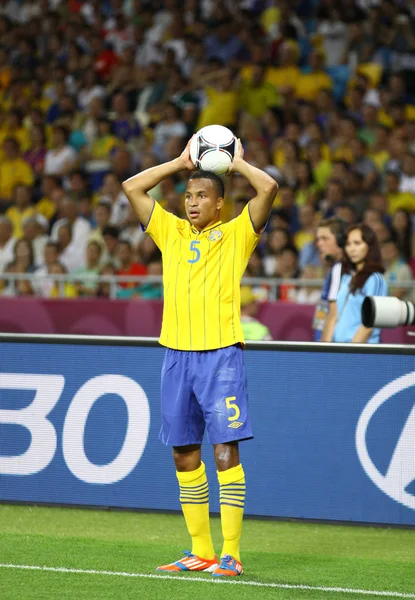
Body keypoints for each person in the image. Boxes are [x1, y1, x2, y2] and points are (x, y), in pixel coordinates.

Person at [122, 137, 278, 577]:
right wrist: (177, 163)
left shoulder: (237, 235)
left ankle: (231, 552)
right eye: (188, 196)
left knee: (224, 450)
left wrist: (240, 162)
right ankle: (200, 550)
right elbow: (132, 187)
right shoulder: (170, 232)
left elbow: (268, 189)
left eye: (202, 195)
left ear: (221, 203)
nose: (192, 203)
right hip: (176, 356)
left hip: (220, 357)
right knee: (183, 453)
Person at [332, 224, 387, 343]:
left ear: (369, 246)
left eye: (357, 243)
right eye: (348, 244)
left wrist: (352, 351)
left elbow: (370, 323)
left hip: (360, 353)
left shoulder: (375, 279)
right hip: (339, 350)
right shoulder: (346, 277)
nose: (351, 249)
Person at [313, 217, 346, 342]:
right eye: (318, 239)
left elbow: (335, 315)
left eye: (324, 238)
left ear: (340, 240)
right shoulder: (334, 270)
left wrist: (323, 347)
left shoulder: (342, 270)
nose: (319, 243)